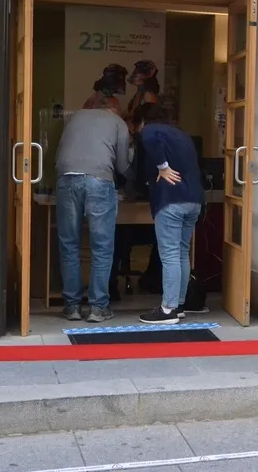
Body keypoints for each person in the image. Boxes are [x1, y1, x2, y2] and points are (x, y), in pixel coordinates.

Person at [54, 100, 130, 323]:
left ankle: (72, 306)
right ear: (115, 109)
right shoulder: (118, 122)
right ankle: (98, 308)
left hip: (66, 179)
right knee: (102, 247)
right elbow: (123, 165)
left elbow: (58, 155)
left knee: (69, 245)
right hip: (98, 180)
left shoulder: (74, 117)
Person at [135, 103, 205, 324]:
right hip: (194, 200)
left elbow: (147, 138)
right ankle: (179, 304)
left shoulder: (151, 130)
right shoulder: (182, 135)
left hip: (171, 200)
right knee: (182, 252)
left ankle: (167, 310)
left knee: (170, 254)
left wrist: (162, 166)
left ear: (143, 121)